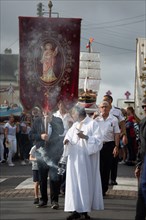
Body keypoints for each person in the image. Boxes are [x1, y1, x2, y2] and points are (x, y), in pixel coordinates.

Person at [63, 105, 104, 220]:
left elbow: (98, 141)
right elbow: (69, 136)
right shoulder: (75, 125)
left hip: (85, 161)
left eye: (73, 114)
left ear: (78, 113)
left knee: (84, 183)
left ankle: (84, 211)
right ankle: (75, 209)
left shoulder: (92, 124)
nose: (72, 116)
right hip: (74, 160)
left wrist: (85, 137)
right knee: (74, 184)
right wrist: (66, 140)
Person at [30, 108, 64, 209]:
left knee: (54, 178)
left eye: (48, 110)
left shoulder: (57, 120)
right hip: (41, 153)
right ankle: (43, 200)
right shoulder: (37, 121)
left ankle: (54, 201)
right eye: (44, 110)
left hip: (54, 153)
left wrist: (52, 122)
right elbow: (31, 135)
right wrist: (40, 136)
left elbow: (61, 131)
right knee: (42, 178)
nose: (46, 112)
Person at [95, 101, 120, 196]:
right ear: (100, 108)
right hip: (98, 145)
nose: (104, 108)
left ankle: (103, 189)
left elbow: (116, 133)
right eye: (102, 107)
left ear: (110, 108)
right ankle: (97, 188)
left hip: (109, 145)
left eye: (106, 107)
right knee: (98, 168)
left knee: (107, 168)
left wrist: (116, 146)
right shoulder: (96, 119)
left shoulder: (113, 119)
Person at [103, 95, 127, 185]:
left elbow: (122, 123)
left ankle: (113, 178)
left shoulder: (117, 111)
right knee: (104, 160)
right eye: (103, 100)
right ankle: (104, 178)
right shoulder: (101, 109)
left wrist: (124, 134)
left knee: (113, 159)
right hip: (104, 138)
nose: (104, 102)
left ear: (111, 101)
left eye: (106, 100)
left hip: (114, 138)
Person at [53, 100, 73, 194]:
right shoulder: (55, 115)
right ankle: (57, 186)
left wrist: (71, 125)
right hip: (57, 141)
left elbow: (73, 129)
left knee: (65, 164)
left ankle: (63, 187)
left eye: (64, 105)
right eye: (61, 104)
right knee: (57, 164)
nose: (62, 106)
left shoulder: (70, 116)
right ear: (58, 105)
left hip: (66, 141)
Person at [135, 99, 146, 220]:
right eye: (143, 106)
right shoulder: (143, 122)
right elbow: (141, 145)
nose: (145, 109)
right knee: (141, 193)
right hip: (144, 160)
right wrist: (138, 164)